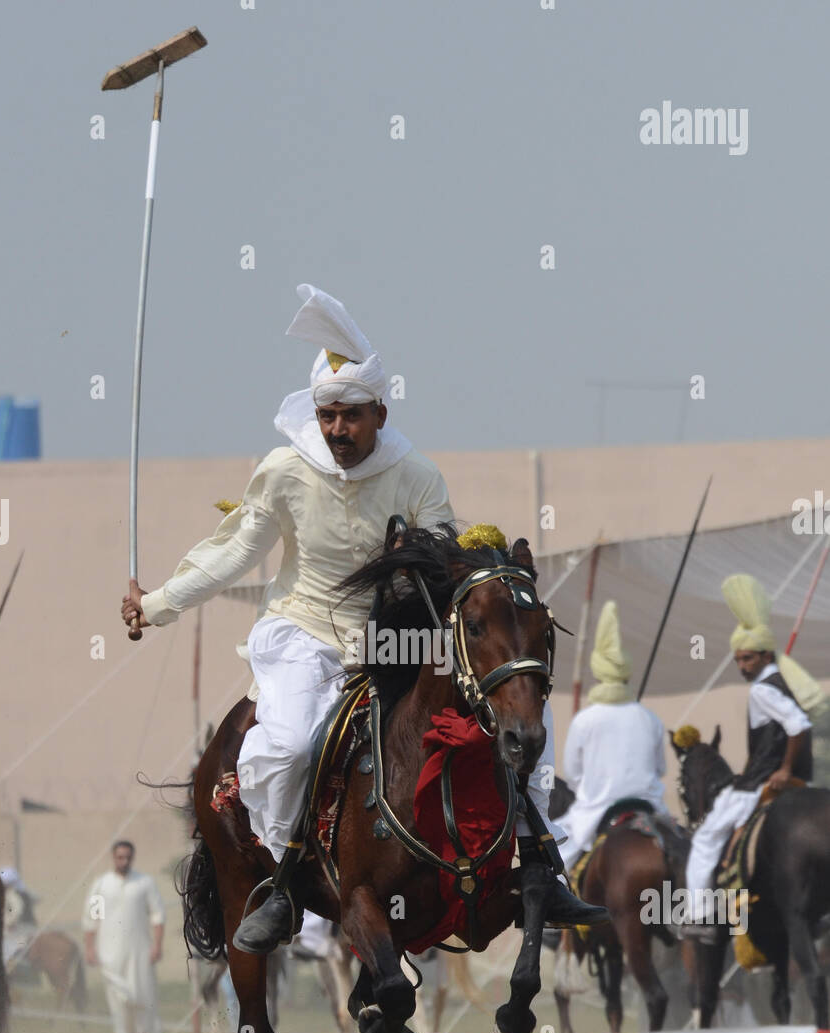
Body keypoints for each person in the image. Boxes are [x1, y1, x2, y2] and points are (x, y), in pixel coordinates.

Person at [122, 284, 603, 953]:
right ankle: (285, 882)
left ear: (380, 410)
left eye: (350, 415)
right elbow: (235, 551)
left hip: (392, 637)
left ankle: (538, 861)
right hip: (301, 632)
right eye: (327, 417)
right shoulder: (285, 470)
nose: (337, 430)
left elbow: (439, 575)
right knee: (287, 744)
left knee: (514, 708)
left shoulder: (417, 475)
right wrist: (155, 605)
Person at [684, 573, 813, 933]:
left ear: (766, 654)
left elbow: (798, 724)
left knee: (706, 837)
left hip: (757, 784)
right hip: (790, 780)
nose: (742, 666)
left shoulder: (761, 690)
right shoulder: (782, 681)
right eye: (738, 660)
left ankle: (700, 916)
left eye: (748, 659)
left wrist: (784, 769)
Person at [556, 601, 668, 871]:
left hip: (597, 810)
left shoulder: (585, 719)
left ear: (599, 674)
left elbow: (572, 774)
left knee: (554, 864)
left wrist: (594, 785)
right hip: (650, 806)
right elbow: (660, 769)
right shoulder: (649, 717)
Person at [82, 840, 165, 1033]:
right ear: (113, 858)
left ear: (132, 858)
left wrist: (157, 945)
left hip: (139, 956)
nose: (124, 861)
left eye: (127, 857)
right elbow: (91, 919)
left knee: (144, 1004)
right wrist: (90, 948)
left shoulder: (144, 883)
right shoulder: (101, 884)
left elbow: (157, 915)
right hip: (110, 957)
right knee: (118, 1010)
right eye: (120, 857)